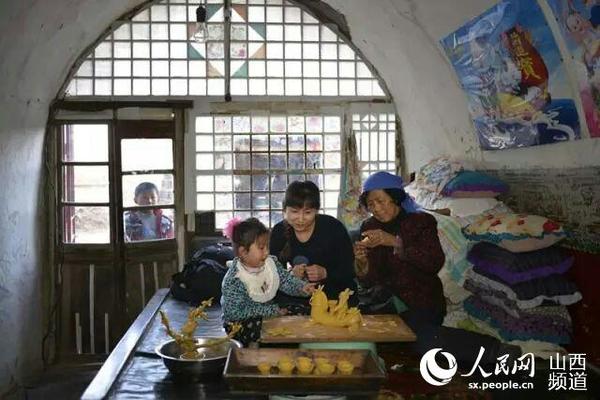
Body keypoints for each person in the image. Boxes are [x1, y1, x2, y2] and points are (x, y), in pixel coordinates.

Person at [354, 171, 520, 364]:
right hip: (386, 302)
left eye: (381, 201)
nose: (376, 208)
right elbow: (369, 280)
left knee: (420, 340)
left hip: (420, 302)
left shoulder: (421, 222)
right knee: (360, 329)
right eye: (371, 204)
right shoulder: (369, 226)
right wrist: (362, 263)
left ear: (395, 197)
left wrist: (394, 242)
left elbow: (433, 262)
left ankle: (494, 350)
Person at [220, 217, 315, 345]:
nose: (267, 252)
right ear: (243, 252)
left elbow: (286, 280)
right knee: (260, 329)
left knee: (302, 311)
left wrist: (302, 288)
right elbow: (235, 312)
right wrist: (271, 311)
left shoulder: (270, 263)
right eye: (261, 248)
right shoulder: (234, 280)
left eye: (267, 246)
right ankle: (262, 349)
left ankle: (294, 341)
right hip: (239, 322)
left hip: (268, 311)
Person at [270, 181, 358, 311]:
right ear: (284, 210)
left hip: (334, 298)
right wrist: (291, 276)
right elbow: (273, 274)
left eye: (307, 213)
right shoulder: (279, 232)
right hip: (298, 298)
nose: (300, 219)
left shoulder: (333, 227)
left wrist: (326, 273)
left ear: (316, 211)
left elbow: (350, 269)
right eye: (294, 212)